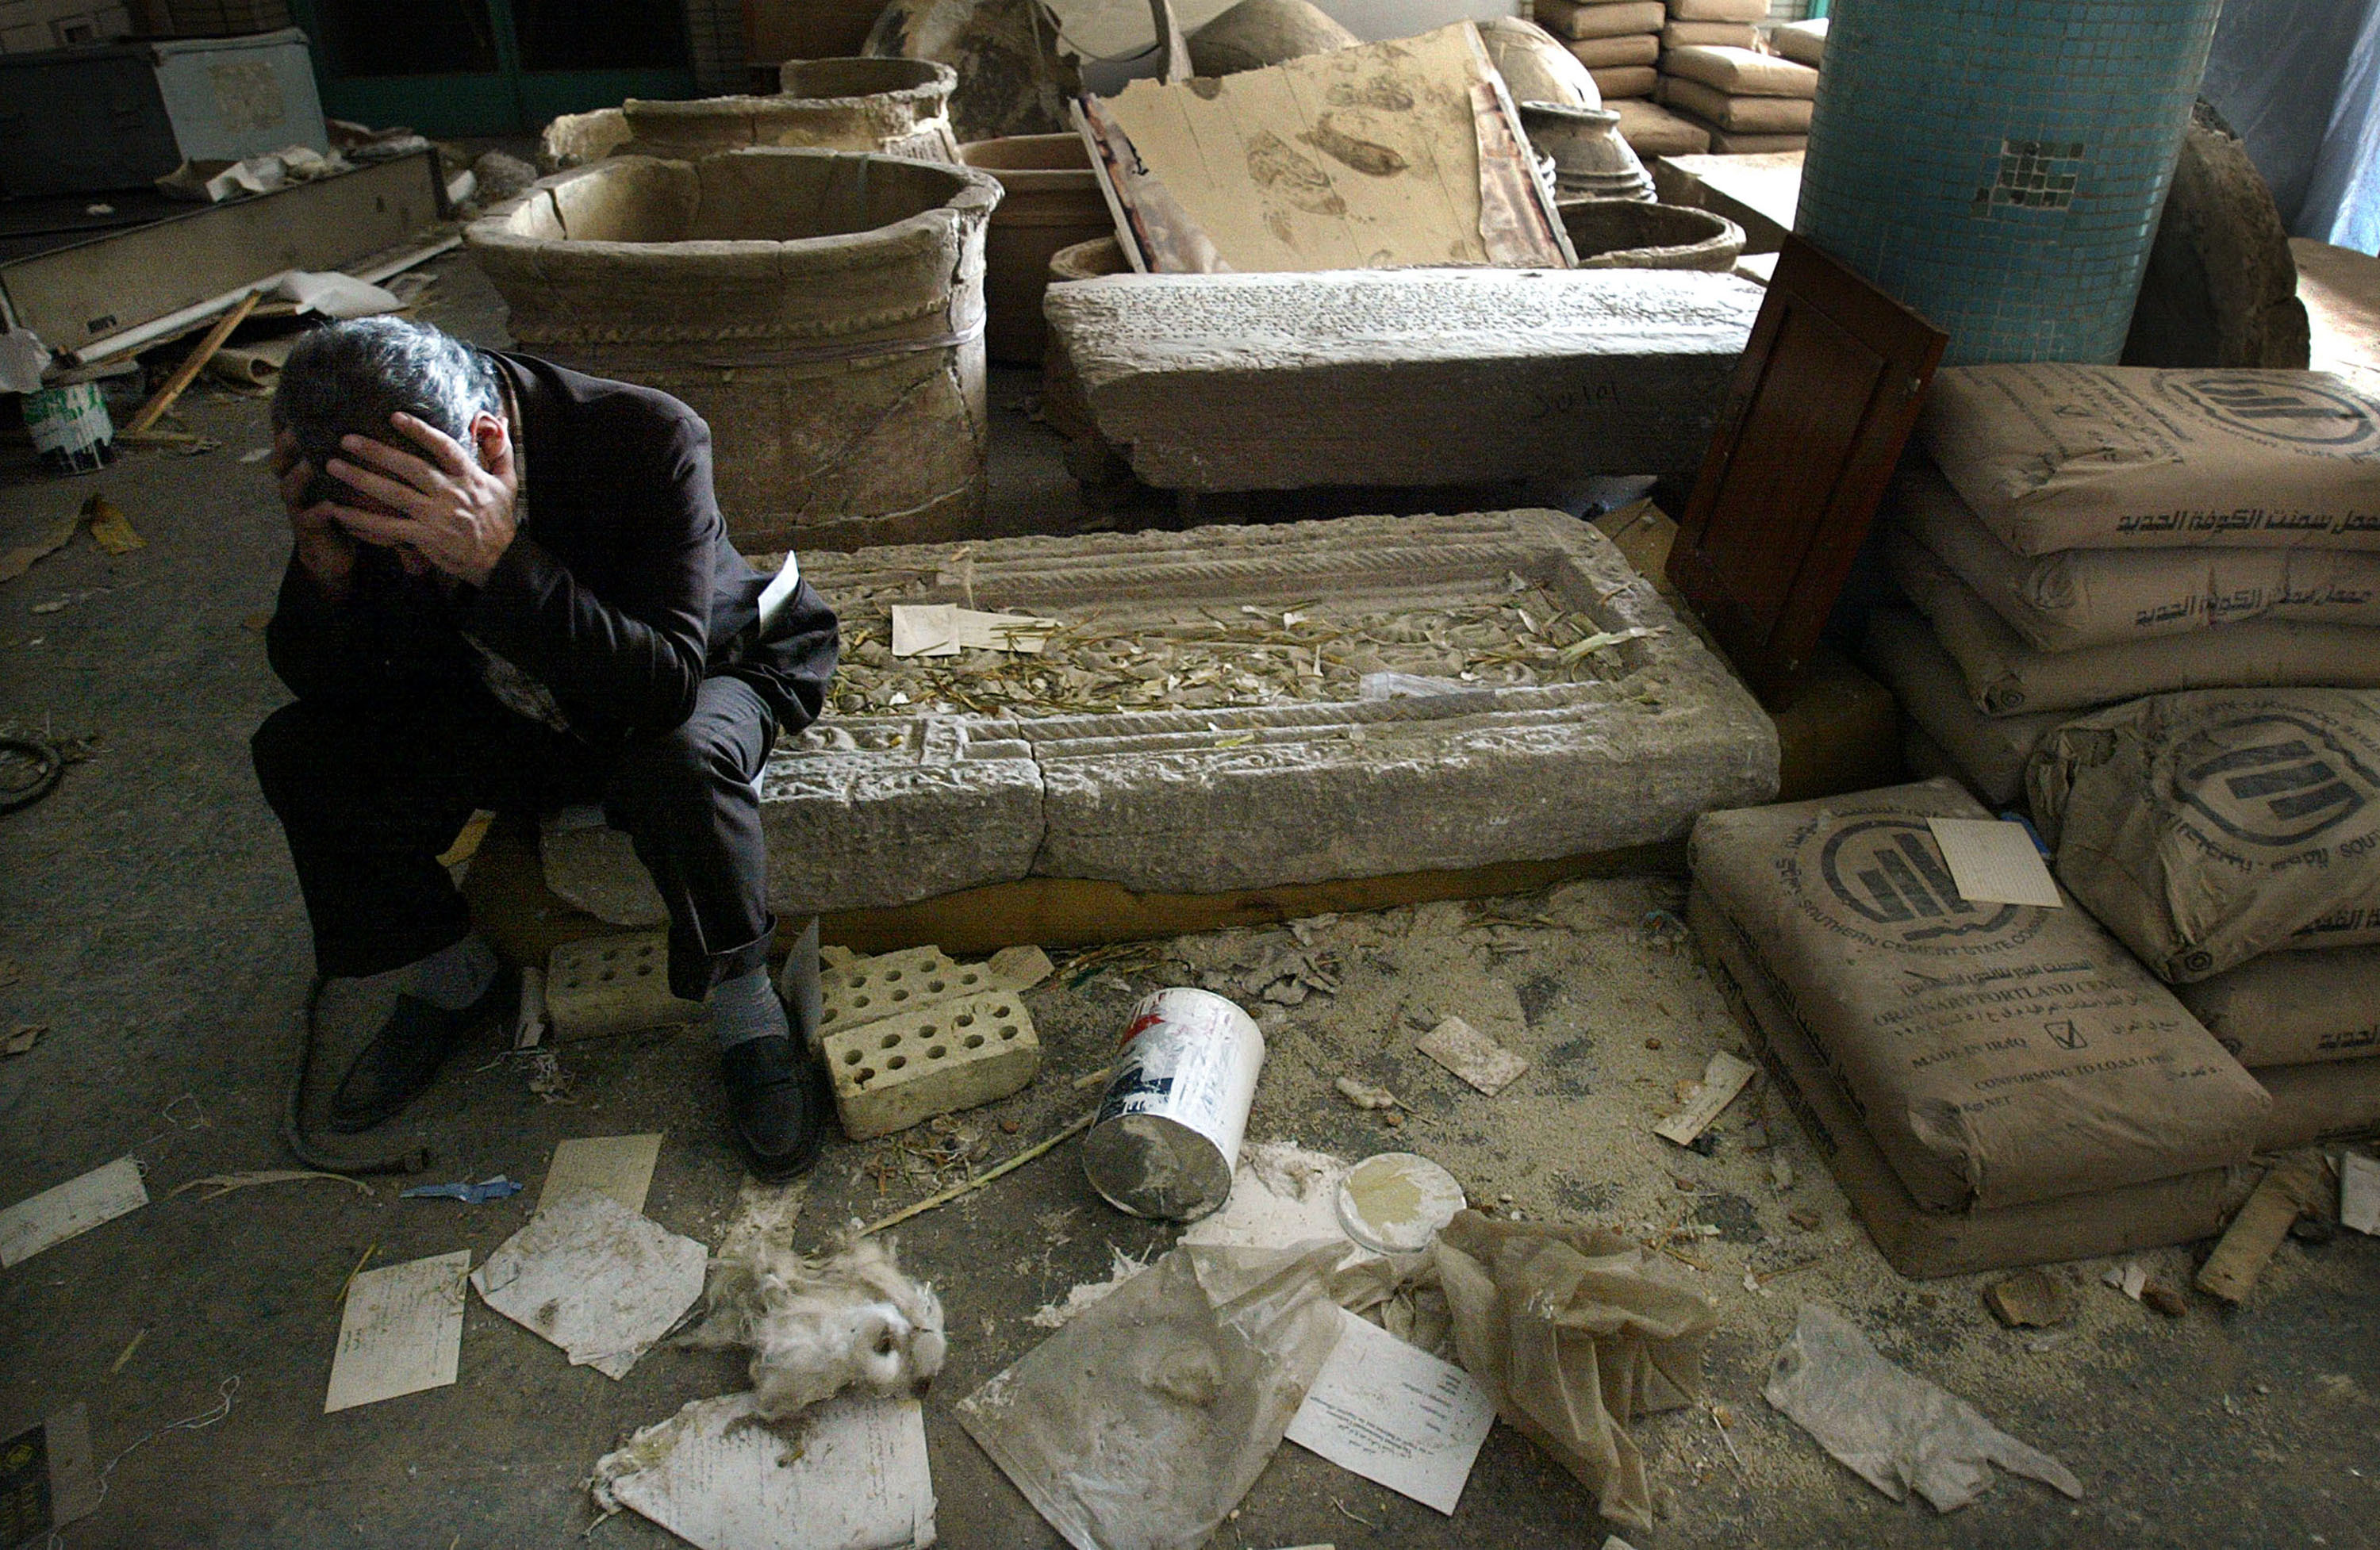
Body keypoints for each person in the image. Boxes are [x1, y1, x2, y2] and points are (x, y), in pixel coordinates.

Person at [250, 317, 841, 1180]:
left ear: (487, 445)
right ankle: (458, 969)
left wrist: (497, 559)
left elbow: (662, 685)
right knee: (301, 751)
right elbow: (326, 688)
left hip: (695, 668)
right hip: (507, 689)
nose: (406, 569)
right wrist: (325, 574)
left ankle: (744, 999)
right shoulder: (365, 466)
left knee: (676, 760)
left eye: (414, 540)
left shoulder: (645, 435)